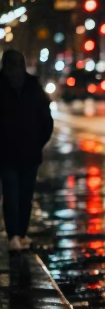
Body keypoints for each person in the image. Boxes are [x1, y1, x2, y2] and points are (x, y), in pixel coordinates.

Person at [0, 50, 54, 252]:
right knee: (19, 195)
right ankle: (17, 234)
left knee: (17, 196)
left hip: (15, 152)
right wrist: (37, 143)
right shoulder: (33, 87)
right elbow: (46, 121)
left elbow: (46, 121)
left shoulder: (31, 87)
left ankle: (17, 235)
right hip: (17, 153)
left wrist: (36, 142)